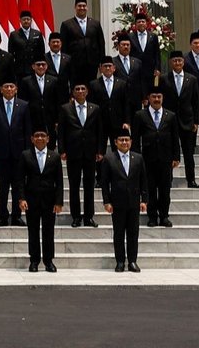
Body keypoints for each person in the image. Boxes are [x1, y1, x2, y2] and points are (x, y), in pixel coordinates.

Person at [100, 126, 148, 272]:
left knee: (133, 233)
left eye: (127, 140)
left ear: (131, 142)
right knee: (119, 233)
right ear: (116, 142)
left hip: (134, 202)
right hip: (117, 202)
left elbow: (143, 181)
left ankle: (132, 261)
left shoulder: (138, 158)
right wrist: (107, 201)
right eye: (121, 140)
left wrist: (144, 200)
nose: (124, 142)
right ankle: (120, 261)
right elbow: (104, 183)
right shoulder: (109, 159)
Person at [58, 82, 106, 228]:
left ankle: (89, 217)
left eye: (82, 89)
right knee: (74, 186)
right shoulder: (65, 108)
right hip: (73, 152)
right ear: (73, 92)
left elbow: (100, 130)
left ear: (87, 92)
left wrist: (100, 150)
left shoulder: (95, 108)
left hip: (90, 152)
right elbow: (61, 131)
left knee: (89, 186)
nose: (80, 91)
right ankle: (76, 217)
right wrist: (62, 150)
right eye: (77, 89)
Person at [0, 80, 32, 227]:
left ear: (16, 89)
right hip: (1, 153)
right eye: (6, 86)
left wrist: (28, 152)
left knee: (18, 186)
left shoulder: (24, 105)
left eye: (12, 86)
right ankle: (3, 217)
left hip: (19, 153)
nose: (9, 89)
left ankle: (17, 216)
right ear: (1, 89)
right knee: (3, 186)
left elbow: (28, 130)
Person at [16, 128, 63, 272]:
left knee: (49, 231)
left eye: (43, 136)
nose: (40, 138)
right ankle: (34, 260)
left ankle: (48, 261)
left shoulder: (54, 156)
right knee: (33, 230)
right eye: (37, 136)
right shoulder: (26, 155)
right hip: (32, 199)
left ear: (48, 139)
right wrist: (21, 198)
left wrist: (59, 202)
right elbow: (20, 179)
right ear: (32, 139)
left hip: (49, 200)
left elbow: (59, 181)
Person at [132, 90, 181, 228]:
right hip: (147, 160)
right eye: (154, 97)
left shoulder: (170, 116)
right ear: (149, 98)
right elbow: (135, 139)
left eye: (159, 96)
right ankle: (152, 217)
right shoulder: (140, 115)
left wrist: (176, 156)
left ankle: (164, 216)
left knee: (165, 190)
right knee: (150, 189)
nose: (156, 99)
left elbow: (175, 138)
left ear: (163, 98)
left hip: (166, 159)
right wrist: (136, 158)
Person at [161, 50, 199, 189]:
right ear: (170, 62)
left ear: (183, 62)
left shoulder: (192, 79)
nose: (177, 63)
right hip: (170, 121)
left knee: (189, 153)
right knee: (169, 153)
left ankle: (191, 180)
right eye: (175, 61)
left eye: (179, 60)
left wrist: (196, 121)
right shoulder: (164, 79)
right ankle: (168, 179)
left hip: (187, 121)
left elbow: (196, 101)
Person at [59, 0, 106, 90]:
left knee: (92, 88)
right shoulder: (67, 24)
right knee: (76, 88)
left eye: (84, 6)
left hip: (92, 64)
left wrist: (102, 62)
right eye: (79, 6)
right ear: (75, 7)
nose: (82, 8)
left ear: (87, 7)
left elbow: (101, 43)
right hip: (74, 64)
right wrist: (65, 62)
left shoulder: (95, 24)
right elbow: (63, 46)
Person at [20, 57, 67, 138]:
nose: (41, 67)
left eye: (43, 64)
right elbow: (23, 101)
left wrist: (57, 119)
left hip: (50, 117)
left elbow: (58, 100)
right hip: (32, 117)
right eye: (38, 65)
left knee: (51, 139)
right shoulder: (26, 81)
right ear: (33, 66)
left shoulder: (54, 80)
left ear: (47, 66)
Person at [90, 57, 130, 133]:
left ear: (114, 68)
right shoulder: (94, 84)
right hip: (100, 122)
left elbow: (126, 104)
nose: (107, 68)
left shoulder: (122, 84)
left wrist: (127, 121)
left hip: (118, 121)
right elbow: (92, 104)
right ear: (100, 69)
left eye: (109, 66)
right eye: (105, 66)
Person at [112, 36, 146, 112]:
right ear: (118, 46)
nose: (126, 47)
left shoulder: (137, 62)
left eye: (128, 45)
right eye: (123, 45)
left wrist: (144, 96)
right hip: (119, 97)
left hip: (135, 98)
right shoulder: (113, 62)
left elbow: (142, 80)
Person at [8, 11, 46, 78]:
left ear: (31, 20)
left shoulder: (37, 34)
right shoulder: (14, 35)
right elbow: (10, 53)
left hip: (34, 69)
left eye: (28, 19)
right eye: (24, 19)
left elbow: (41, 52)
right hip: (20, 69)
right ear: (20, 20)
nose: (26, 21)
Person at [129, 15, 162, 85]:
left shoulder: (153, 36)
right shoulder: (130, 37)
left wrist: (157, 68)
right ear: (135, 24)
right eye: (139, 22)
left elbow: (157, 54)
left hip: (150, 71)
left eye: (143, 21)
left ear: (146, 23)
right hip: (135, 71)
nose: (141, 23)